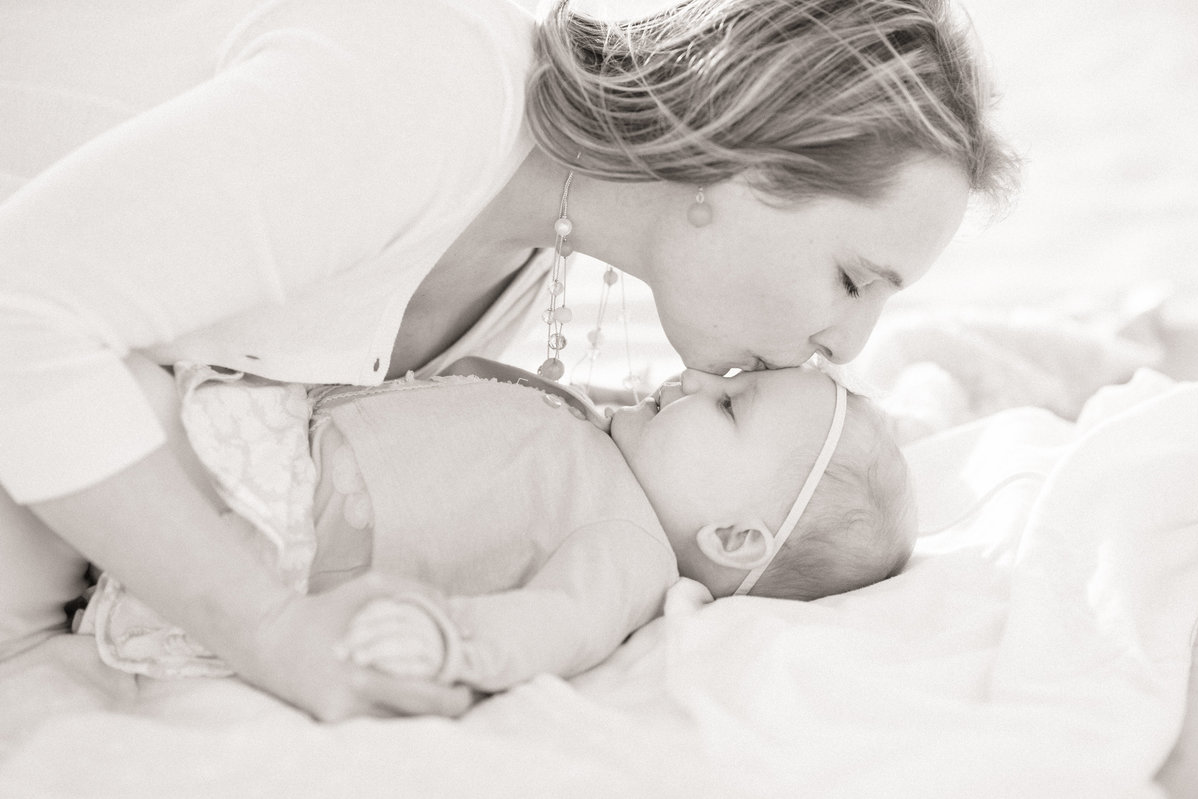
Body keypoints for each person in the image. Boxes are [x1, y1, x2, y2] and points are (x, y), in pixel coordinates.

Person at [0, 0, 1016, 719]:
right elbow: (20, 314)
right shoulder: (422, 89)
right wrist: (268, 631)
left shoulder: (534, 262)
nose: (847, 348)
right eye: (853, 279)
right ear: (743, 168)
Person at [80, 354, 914, 696]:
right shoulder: (607, 439)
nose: (695, 377)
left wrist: (450, 643)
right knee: (107, 396)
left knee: (103, 406)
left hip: (288, 503)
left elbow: (553, 624)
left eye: (730, 404)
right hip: (279, 435)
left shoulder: (628, 550)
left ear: (736, 538)